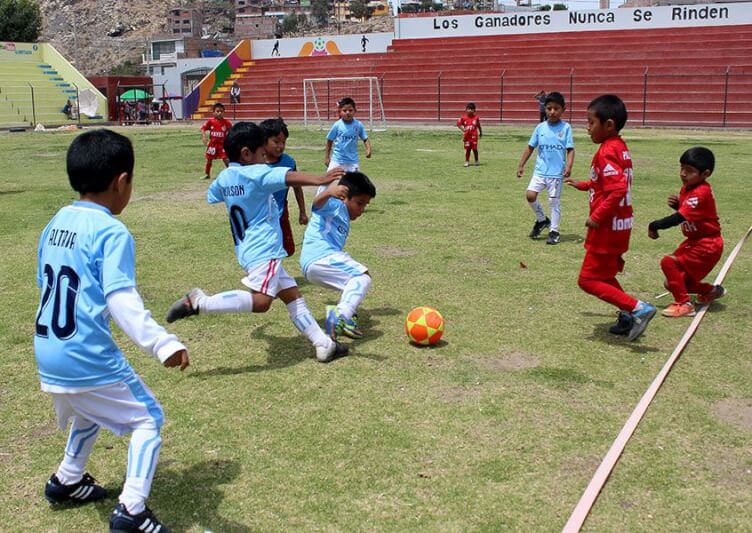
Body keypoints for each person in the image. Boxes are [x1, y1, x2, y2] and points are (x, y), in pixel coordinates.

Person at [34, 129, 189, 532]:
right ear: (122, 182)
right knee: (147, 419)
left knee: (92, 407)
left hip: (49, 349)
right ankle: (132, 511)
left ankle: (67, 480)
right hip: (85, 353)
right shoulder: (111, 231)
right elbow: (121, 300)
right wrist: (163, 342)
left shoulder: (55, 222)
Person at [165, 122, 349, 363]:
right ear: (246, 153)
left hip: (247, 249)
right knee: (262, 302)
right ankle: (200, 302)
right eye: (263, 154)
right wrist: (320, 179)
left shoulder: (224, 177)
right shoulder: (257, 173)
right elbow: (287, 176)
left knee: (292, 295)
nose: (266, 159)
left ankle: (323, 344)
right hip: (265, 249)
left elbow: (215, 193)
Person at [564, 94, 656, 341]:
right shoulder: (620, 148)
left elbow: (617, 190)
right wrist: (582, 185)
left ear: (609, 125)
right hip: (620, 225)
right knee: (604, 276)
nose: (587, 127)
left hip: (607, 227)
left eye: (591, 122)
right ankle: (628, 312)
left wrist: (597, 216)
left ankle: (638, 308)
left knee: (587, 280)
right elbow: (604, 184)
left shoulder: (607, 151)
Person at [648, 147, 725, 317]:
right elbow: (691, 213)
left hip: (707, 244)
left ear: (705, 174)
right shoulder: (687, 188)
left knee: (668, 262)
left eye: (689, 171)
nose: (683, 173)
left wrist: (654, 225)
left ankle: (683, 304)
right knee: (672, 283)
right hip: (694, 241)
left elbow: (679, 218)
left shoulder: (701, 192)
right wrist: (679, 206)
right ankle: (710, 291)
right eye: (682, 168)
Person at [300, 171, 376, 340]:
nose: (362, 209)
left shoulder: (343, 213)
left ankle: (340, 320)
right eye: (359, 203)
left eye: (365, 205)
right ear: (344, 196)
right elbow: (316, 205)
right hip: (321, 257)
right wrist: (328, 192)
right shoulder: (335, 204)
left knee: (351, 284)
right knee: (362, 277)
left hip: (314, 264)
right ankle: (341, 317)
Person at [516, 91, 574, 245]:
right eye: (549, 108)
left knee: (553, 201)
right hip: (540, 171)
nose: (552, 112)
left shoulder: (566, 128)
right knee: (530, 195)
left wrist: (568, 166)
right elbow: (530, 147)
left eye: (556, 108)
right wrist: (521, 165)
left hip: (556, 174)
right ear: (544, 109)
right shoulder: (540, 127)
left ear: (563, 109)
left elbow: (570, 150)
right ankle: (542, 220)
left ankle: (554, 230)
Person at [261, 117, 309, 256]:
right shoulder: (255, 162)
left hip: (281, 213)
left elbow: (297, 187)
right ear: (264, 141)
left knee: (286, 249)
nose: (280, 146)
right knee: (266, 248)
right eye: (276, 142)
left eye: (283, 142)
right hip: (260, 216)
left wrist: (302, 212)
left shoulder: (288, 162)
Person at [325, 97, 372, 172]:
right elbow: (329, 140)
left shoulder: (358, 125)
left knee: (356, 182)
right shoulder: (337, 125)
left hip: (352, 162)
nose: (347, 112)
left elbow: (365, 138)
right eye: (344, 110)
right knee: (327, 180)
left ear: (355, 111)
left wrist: (368, 149)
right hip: (337, 160)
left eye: (350, 110)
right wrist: (327, 157)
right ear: (340, 111)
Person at [200, 102, 232, 180]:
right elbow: (202, 128)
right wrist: (204, 136)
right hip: (212, 144)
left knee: (226, 159)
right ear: (213, 112)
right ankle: (207, 174)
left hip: (222, 144)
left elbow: (232, 131)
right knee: (209, 159)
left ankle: (232, 173)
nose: (219, 113)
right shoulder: (211, 122)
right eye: (217, 111)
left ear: (224, 112)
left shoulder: (227, 123)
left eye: (221, 111)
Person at [456, 102, 482, 167]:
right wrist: (463, 130)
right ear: (466, 110)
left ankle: (476, 160)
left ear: (474, 110)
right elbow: (458, 124)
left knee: (474, 149)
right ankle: (467, 161)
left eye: (471, 109)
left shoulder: (476, 118)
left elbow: (479, 126)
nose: (469, 110)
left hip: (474, 136)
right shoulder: (463, 118)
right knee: (468, 149)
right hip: (467, 137)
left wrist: (481, 133)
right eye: (468, 109)